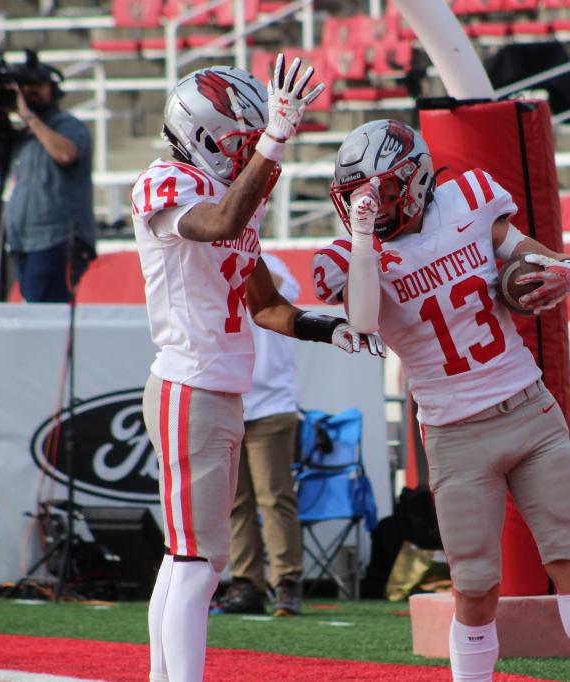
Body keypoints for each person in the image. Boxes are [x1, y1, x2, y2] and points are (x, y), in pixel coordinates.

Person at [313, 119, 570, 682]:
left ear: (412, 181)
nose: (372, 207)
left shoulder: (472, 200)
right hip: (455, 436)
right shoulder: (353, 252)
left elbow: (548, 260)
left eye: (381, 194)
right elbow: (362, 321)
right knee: (475, 587)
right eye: (359, 198)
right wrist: (363, 238)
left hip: (529, 409)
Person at [133, 56, 384, 682]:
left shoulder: (225, 193)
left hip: (218, 388)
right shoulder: (164, 182)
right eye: (242, 140)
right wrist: (273, 142)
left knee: (188, 559)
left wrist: (331, 329)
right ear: (206, 135)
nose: (251, 154)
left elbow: (266, 304)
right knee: (200, 563)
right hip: (188, 384)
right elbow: (221, 223)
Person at [0, 51, 96, 303]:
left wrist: (28, 117)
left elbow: (66, 154)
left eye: (37, 85)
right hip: (23, 240)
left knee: (45, 311)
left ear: (52, 88)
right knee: (35, 308)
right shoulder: (22, 135)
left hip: (57, 239)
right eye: (24, 86)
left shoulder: (66, 125)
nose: (30, 91)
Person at [218, 252, 305, 617]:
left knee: (273, 496)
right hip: (229, 399)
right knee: (236, 502)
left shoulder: (267, 261)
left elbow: (281, 290)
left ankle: (286, 582)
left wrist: (241, 258)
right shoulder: (214, 261)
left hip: (270, 403)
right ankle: (246, 582)